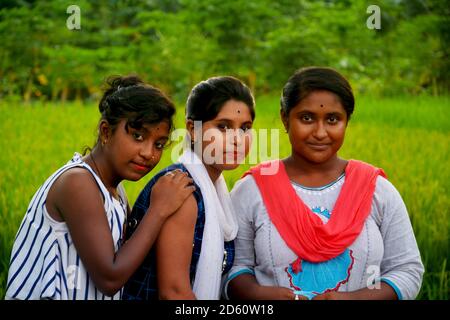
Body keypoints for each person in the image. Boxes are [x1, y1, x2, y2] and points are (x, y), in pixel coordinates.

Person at [225, 67, 424, 300]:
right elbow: (234, 266)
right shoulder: (253, 190)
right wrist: (258, 293)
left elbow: (407, 269)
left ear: (346, 121)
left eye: (333, 119)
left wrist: (353, 299)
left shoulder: (376, 189)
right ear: (285, 118)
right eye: (306, 118)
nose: (320, 133)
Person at [5, 75, 195, 300]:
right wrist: (159, 209)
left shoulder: (115, 191)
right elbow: (110, 278)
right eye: (137, 136)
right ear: (106, 132)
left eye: (159, 144)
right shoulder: (78, 183)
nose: (148, 153)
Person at [123, 76, 255, 300]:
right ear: (192, 129)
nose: (237, 139)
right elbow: (174, 293)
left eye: (245, 128)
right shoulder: (182, 191)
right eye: (223, 127)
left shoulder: (213, 190)